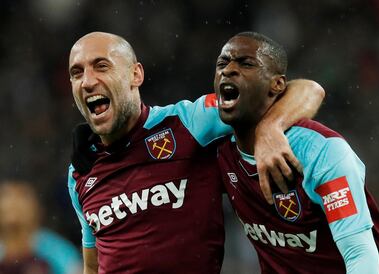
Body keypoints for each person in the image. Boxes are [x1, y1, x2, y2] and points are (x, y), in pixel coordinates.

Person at [67, 31, 324, 273]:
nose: (88, 81)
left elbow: (307, 89)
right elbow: (93, 265)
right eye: (77, 73)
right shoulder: (80, 171)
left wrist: (270, 128)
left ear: (136, 75)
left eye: (102, 66)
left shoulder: (188, 123)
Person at [215, 31, 379, 273]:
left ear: (277, 85)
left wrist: (270, 127)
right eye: (222, 63)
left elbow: (359, 254)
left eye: (246, 63)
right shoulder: (217, 143)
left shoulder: (321, 151)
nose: (228, 70)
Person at [0, 181, 82, 274]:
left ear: (37, 209)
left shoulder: (57, 251)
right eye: (7, 195)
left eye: (22, 195)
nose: (13, 202)